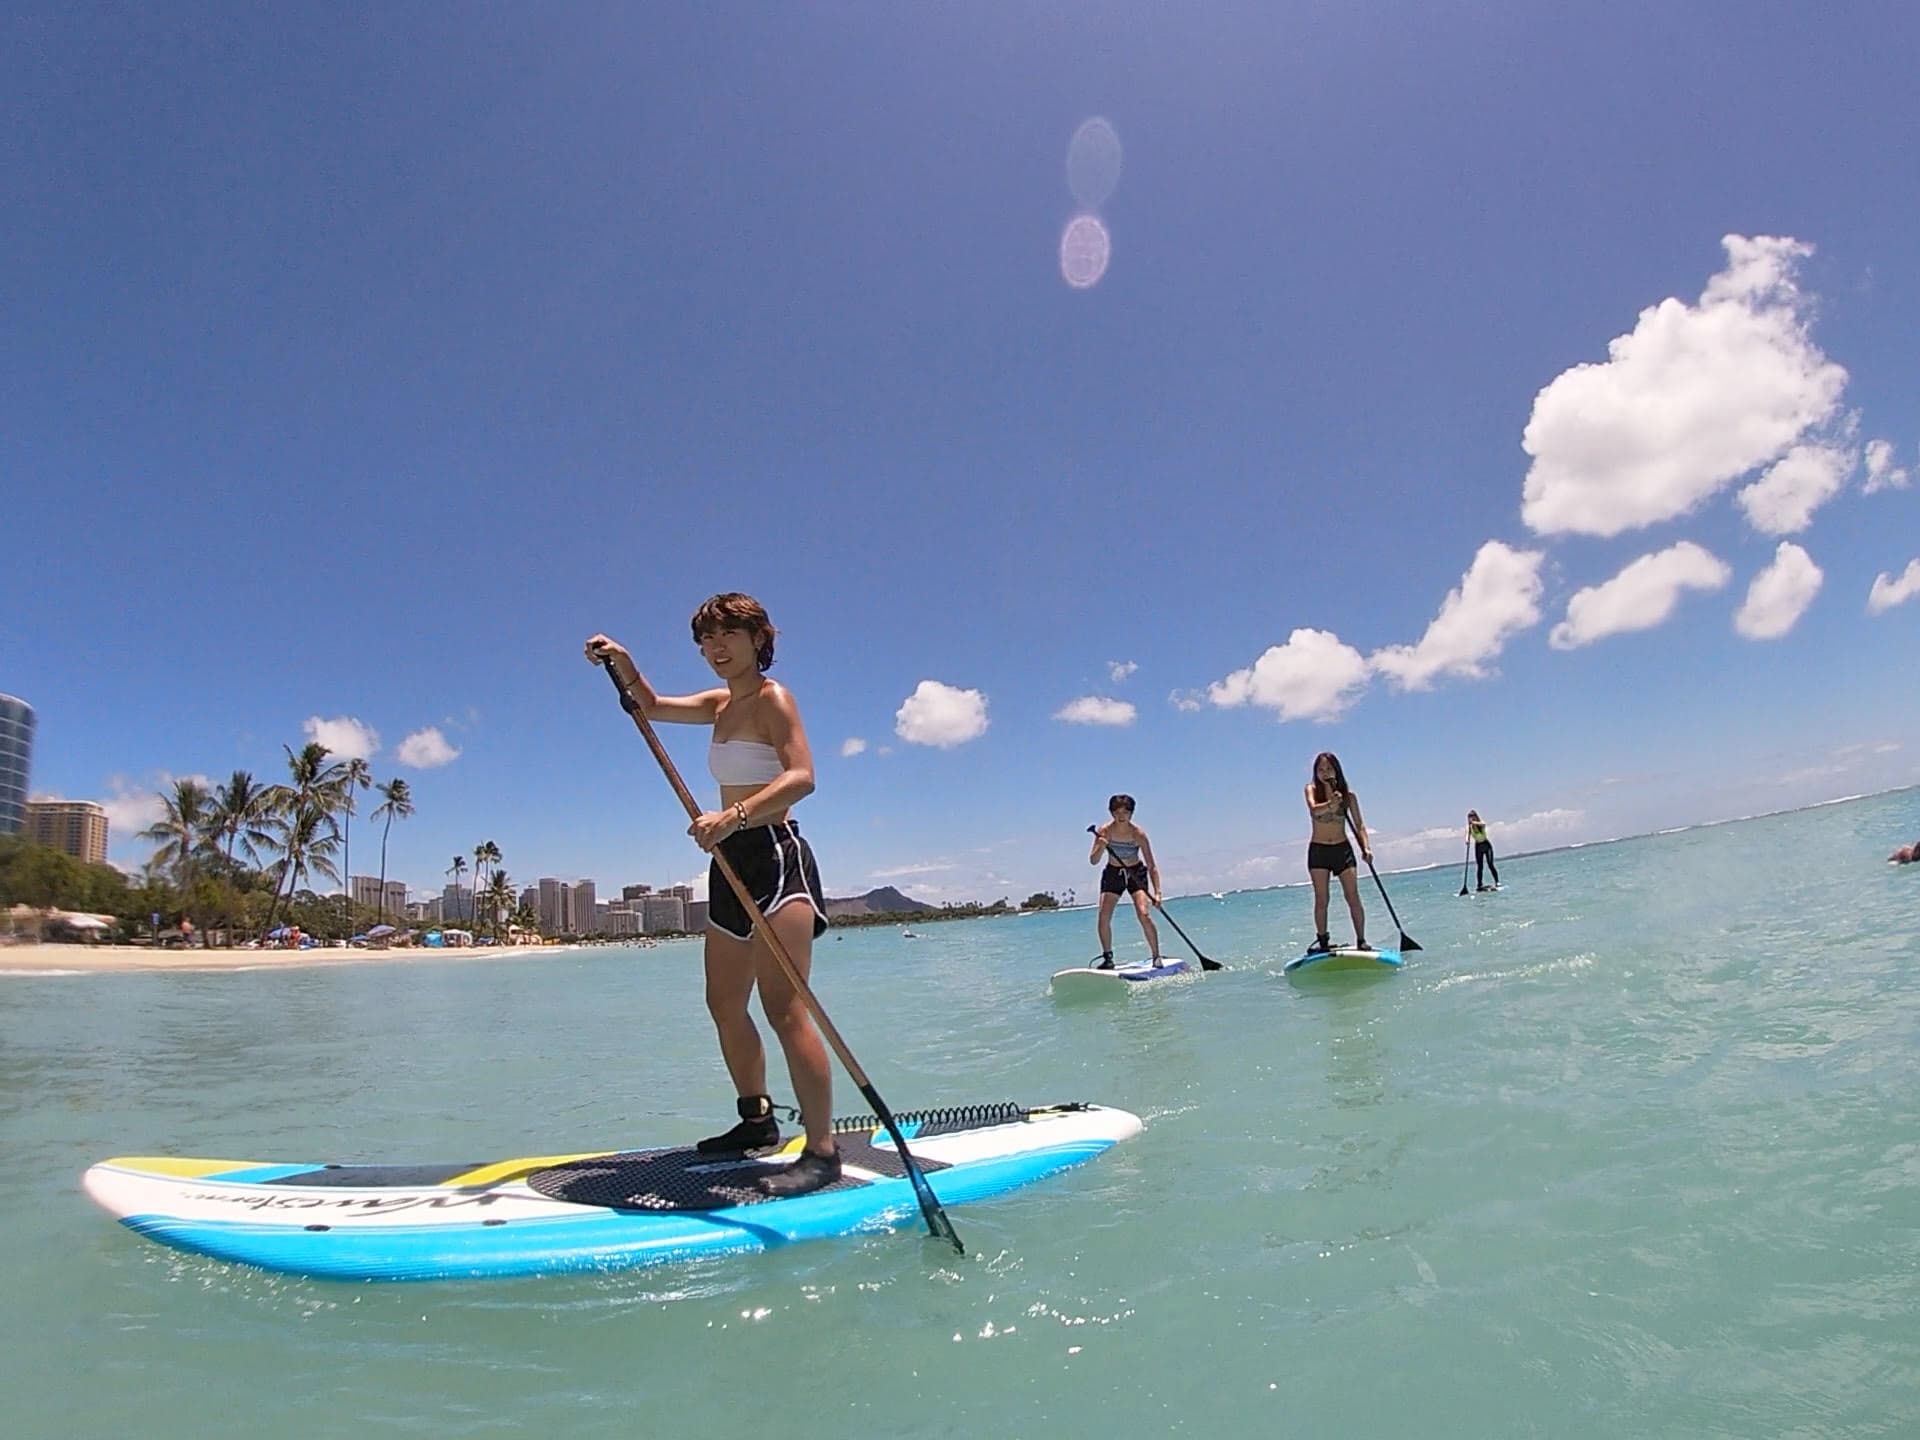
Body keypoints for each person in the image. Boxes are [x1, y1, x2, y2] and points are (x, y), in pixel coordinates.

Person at [585, 593, 839, 1198]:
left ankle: (823, 1151)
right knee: (724, 1004)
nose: (715, 649)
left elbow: (802, 778)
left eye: (727, 635)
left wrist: (735, 815)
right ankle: (757, 1121)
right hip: (728, 865)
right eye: (705, 640)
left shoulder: (773, 700)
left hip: (776, 855)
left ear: (758, 639)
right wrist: (622, 660)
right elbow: (646, 705)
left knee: (785, 1009)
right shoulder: (718, 705)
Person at [1304, 751, 1372, 953]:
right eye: (1321, 769)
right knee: (1322, 898)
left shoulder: (1348, 796)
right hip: (1319, 850)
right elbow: (1314, 810)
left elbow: (1360, 825)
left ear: (1337, 770)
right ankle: (1323, 941)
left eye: (1329, 768)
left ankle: (1361, 940)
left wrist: (1366, 847)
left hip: (1342, 849)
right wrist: (1330, 804)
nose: (1325, 773)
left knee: (1353, 896)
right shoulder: (1311, 789)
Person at [1087, 795, 1163, 968]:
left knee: (1143, 913)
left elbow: (1151, 865)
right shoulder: (1105, 831)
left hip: (1136, 872)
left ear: (1131, 813)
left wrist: (1158, 892)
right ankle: (1108, 958)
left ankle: (1156, 956)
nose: (1121, 816)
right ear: (1111, 813)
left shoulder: (1138, 834)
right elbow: (1093, 860)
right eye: (1117, 812)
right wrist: (1101, 845)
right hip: (1113, 873)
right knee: (1103, 916)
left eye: (1125, 812)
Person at [1467, 809, 1501, 890]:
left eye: (1472, 817)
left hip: (1486, 845)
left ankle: (1497, 881)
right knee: (1480, 866)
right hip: (1478, 846)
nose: (1470, 819)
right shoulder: (1470, 827)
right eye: (1469, 818)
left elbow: (1483, 824)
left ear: (1475, 817)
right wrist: (1467, 840)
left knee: (1490, 864)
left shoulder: (1480, 823)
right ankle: (1479, 884)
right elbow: (1467, 834)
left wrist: (1474, 822)